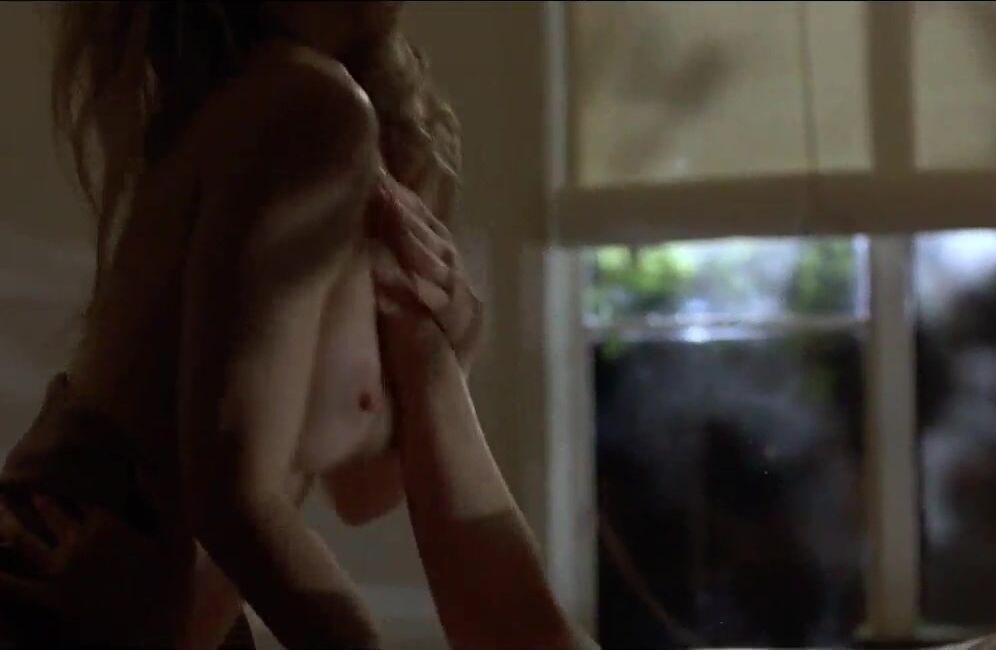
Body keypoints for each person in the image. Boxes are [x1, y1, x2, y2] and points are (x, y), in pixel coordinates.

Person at [0, 2, 583, 648]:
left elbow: (359, 491)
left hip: (160, 602)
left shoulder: (371, 130)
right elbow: (229, 498)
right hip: (77, 566)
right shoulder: (302, 108)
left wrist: (443, 363)